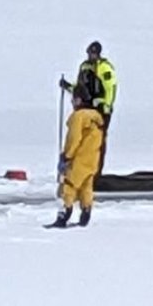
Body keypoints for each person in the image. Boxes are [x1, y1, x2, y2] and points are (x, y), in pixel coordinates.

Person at [49, 84, 104, 228]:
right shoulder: (96, 118)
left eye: (73, 100)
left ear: (78, 100)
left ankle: (63, 215)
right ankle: (86, 213)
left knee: (68, 187)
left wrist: (66, 156)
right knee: (86, 187)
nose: (72, 103)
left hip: (78, 160)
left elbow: (74, 138)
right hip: (92, 160)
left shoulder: (78, 117)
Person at [59, 40, 117, 173]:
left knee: (97, 141)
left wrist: (106, 105)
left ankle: (96, 172)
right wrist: (68, 86)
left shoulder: (105, 68)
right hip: (85, 108)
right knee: (82, 140)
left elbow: (110, 88)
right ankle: (80, 170)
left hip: (100, 109)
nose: (91, 56)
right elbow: (80, 87)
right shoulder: (84, 67)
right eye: (90, 53)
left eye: (94, 53)